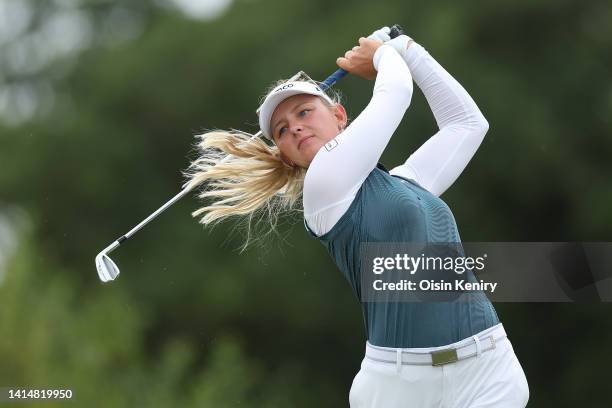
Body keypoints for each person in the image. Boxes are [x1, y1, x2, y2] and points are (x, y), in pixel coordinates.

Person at [185, 27, 529, 408]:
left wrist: (408, 49)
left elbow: (466, 124)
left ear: (340, 115)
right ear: (285, 155)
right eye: (282, 130)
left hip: (487, 368)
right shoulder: (324, 186)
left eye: (304, 112)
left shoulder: (408, 183)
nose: (295, 126)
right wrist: (381, 54)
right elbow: (396, 92)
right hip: (399, 389)